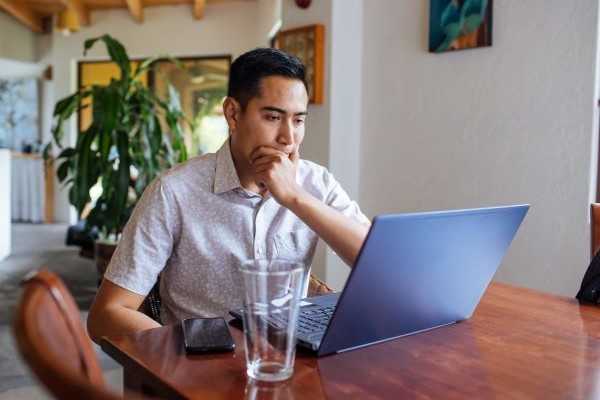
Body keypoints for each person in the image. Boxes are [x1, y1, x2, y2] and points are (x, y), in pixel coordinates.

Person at [87, 47, 370, 343]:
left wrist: (295, 197)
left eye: (298, 120)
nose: (288, 137)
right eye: (273, 117)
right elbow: (107, 314)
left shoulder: (316, 183)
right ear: (233, 114)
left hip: (289, 366)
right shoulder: (174, 192)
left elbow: (374, 262)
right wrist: (201, 351)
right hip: (201, 373)